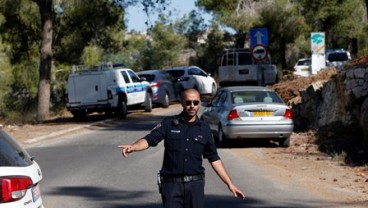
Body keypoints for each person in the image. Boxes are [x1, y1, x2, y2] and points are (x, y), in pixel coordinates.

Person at [118, 88, 245, 208]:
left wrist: (229, 184)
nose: (192, 106)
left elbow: (214, 159)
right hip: (171, 186)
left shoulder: (205, 129)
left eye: (195, 102)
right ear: (182, 103)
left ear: (200, 103)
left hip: (195, 186)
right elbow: (150, 139)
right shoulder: (169, 123)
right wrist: (134, 147)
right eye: (188, 102)